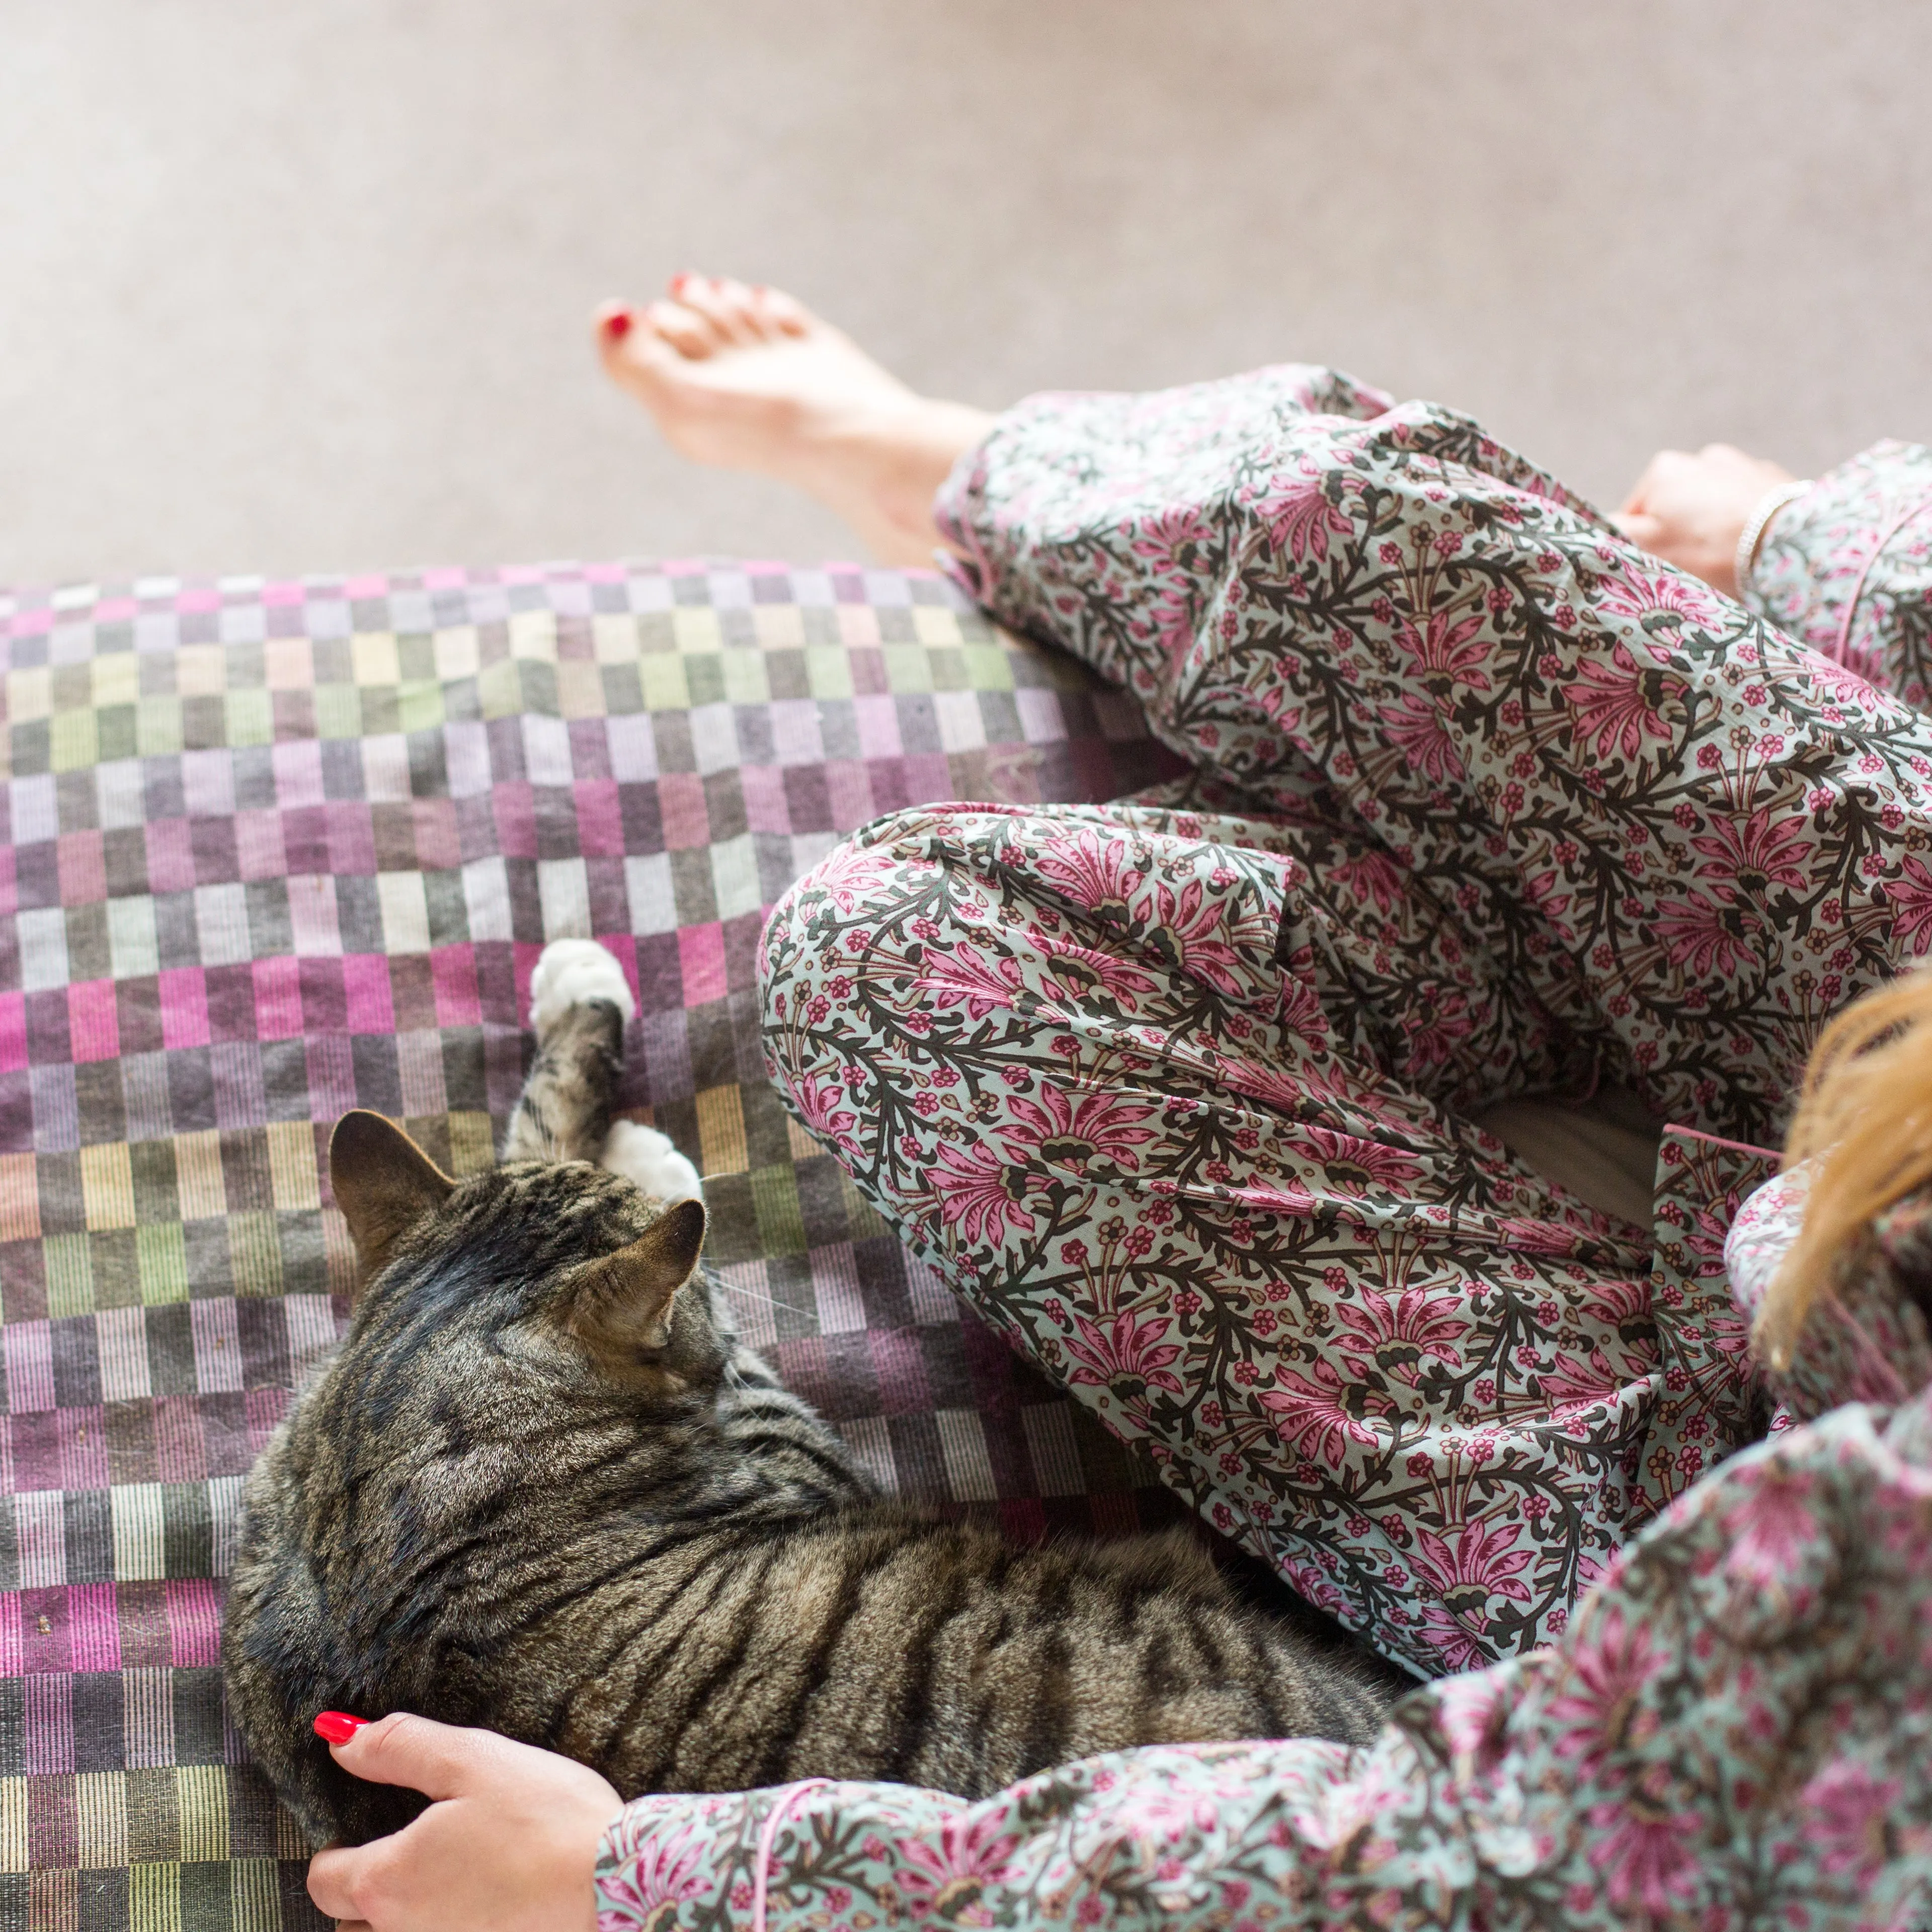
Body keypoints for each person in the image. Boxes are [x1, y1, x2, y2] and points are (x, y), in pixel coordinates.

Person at [302, 277, 1932, 1929]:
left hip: (1701, 1500)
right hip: (1891, 1052)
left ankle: (1555, 926)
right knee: (1351, 537)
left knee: (902, 965)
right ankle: (941, 468)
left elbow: (1481, 1866)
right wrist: (1833, 547)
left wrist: (642, 1885)